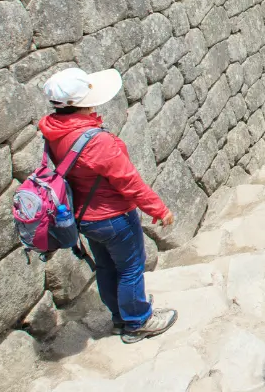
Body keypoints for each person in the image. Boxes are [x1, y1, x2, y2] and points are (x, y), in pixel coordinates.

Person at [38, 67, 177, 344]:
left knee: (105, 268)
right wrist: (158, 209)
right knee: (130, 268)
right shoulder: (97, 141)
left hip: (84, 217)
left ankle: (119, 318)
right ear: (82, 104)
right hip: (113, 216)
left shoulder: (53, 131)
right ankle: (138, 321)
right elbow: (129, 181)